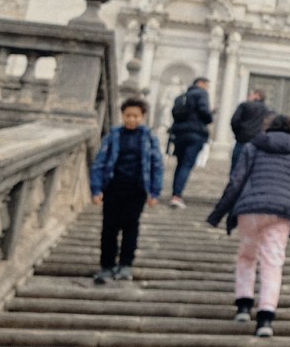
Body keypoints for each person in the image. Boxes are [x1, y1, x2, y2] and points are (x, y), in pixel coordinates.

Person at [206, 114, 290, 338]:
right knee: (272, 261)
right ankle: (265, 315)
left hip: (250, 208)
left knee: (246, 256)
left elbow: (236, 181)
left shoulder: (253, 147)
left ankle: (244, 305)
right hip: (282, 211)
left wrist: (217, 214)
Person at [90, 97, 163, 282]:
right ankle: (106, 265)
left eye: (136, 116)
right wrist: (96, 189)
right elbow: (99, 163)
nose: (131, 119)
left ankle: (125, 265)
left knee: (131, 227)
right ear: (122, 115)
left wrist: (154, 191)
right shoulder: (113, 135)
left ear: (143, 117)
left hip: (137, 189)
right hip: (113, 187)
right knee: (109, 227)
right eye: (128, 115)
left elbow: (156, 165)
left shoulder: (149, 137)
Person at [166, 76, 213, 207]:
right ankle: (177, 196)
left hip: (179, 133)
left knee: (180, 164)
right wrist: (210, 116)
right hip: (195, 133)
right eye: (207, 85)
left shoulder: (181, 97)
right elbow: (204, 112)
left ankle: (175, 193)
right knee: (186, 164)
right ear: (201, 84)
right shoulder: (202, 94)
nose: (207, 88)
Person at [228, 88, 271, 171]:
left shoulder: (245, 105)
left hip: (242, 140)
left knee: (236, 167)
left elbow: (234, 121)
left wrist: (238, 133)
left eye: (251, 94)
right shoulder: (267, 110)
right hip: (257, 142)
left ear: (257, 95)